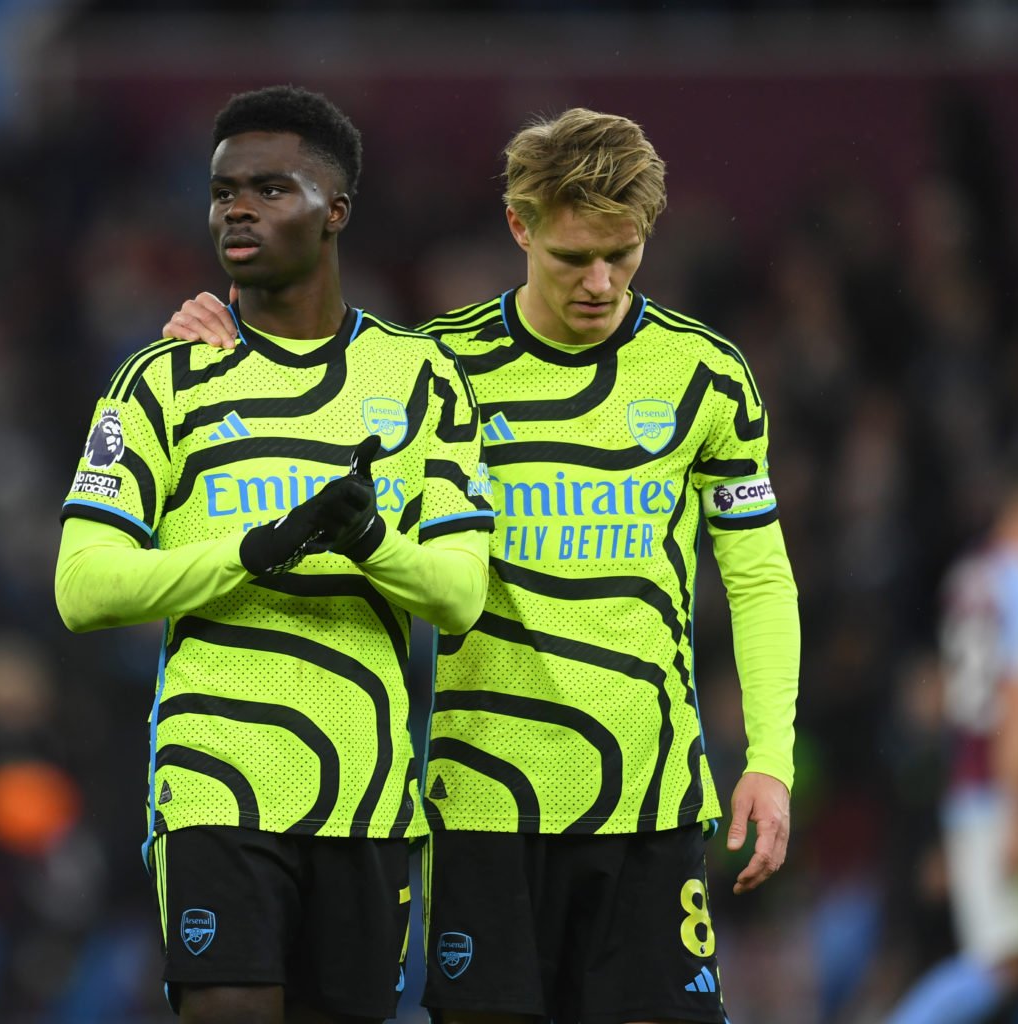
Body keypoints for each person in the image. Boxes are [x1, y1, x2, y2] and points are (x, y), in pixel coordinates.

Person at [164, 107, 801, 1024]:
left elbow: (758, 576)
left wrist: (770, 759)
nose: (599, 282)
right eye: (572, 255)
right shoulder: (439, 367)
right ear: (520, 228)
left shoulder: (705, 375)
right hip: (483, 809)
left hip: (652, 806)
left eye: (622, 255)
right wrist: (214, 342)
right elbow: (303, 391)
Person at [55, 86, 494, 1023]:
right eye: (221, 193)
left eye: (268, 188)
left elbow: (460, 596)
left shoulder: (420, 382)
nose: (236, 209)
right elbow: (82, 586)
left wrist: (365, 539)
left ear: (335, 210)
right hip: (217, 783)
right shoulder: (163, 379)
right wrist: (254, 550)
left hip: (369, 798)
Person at [886, 465, 1018, 1024]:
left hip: (971, 787)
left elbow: (960, 705)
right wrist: (1017, 813)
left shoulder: (970, 576)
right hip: (1012, 792)